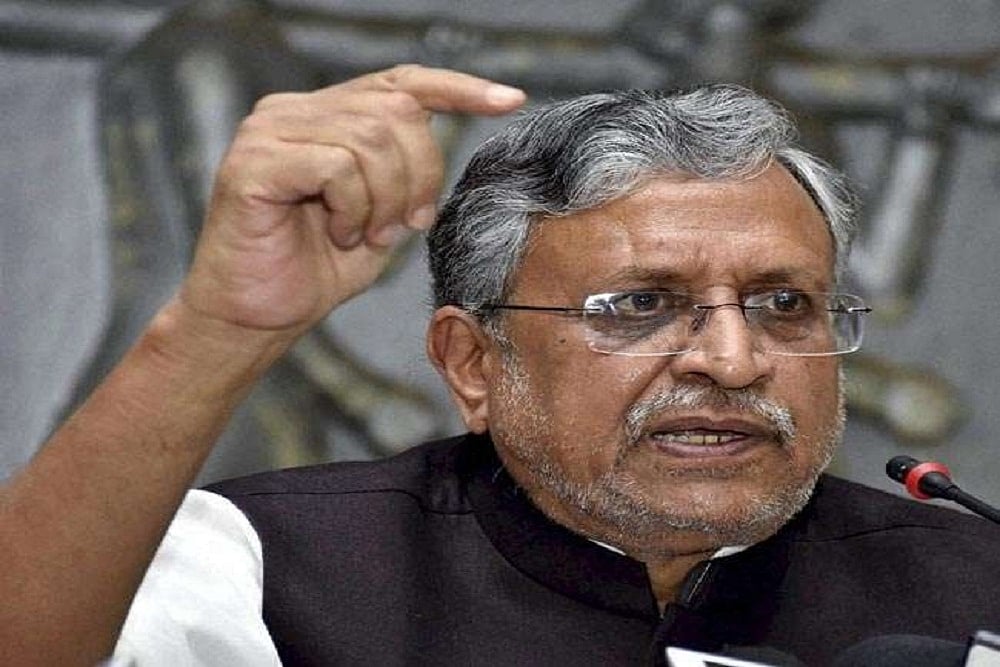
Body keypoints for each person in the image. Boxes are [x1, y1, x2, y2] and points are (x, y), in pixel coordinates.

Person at [2, 64, 999, 667]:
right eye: (640, 305)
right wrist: (220, 325)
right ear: (473, 364)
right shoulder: (273, 564)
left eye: (783, 305)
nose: (733, 361)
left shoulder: (972, 585)